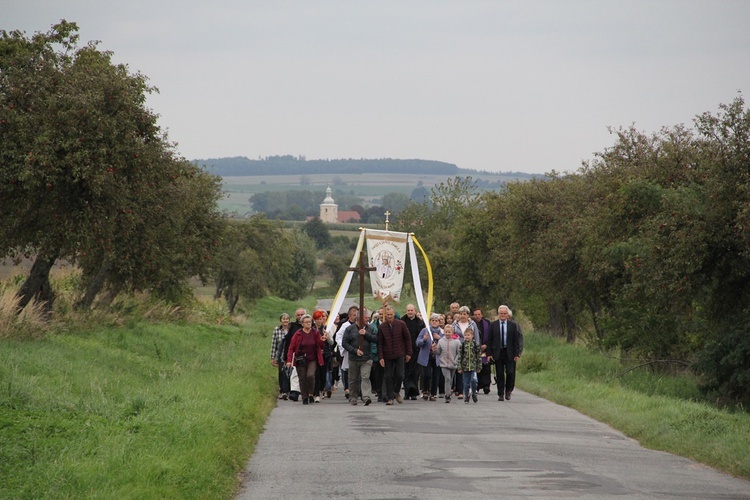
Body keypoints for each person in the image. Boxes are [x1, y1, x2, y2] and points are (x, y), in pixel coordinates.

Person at [286, 314, 327, 405]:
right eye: (307, 322)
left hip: (312, 359)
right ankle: (305, 397)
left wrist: (322, 339)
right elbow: (291, 348)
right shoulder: (298, 334)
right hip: (300, 359)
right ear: (302, 324)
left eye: (310, 322)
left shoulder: (315, 333)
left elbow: (320, 345)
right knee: (302, 378)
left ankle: (311, 393)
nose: (309, 323)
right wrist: (289, 360)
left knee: (310, 375)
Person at [377, 305, 412, 405]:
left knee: (400, 374)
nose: (389, 316)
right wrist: (381, 357)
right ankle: (390, 398)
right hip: (387, 355)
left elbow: (407, 339)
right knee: (388, 376)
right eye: (387, 315)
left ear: (394, 314)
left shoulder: (401, 324)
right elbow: (380, 343)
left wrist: (409, 352)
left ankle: (396, 391)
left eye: (391, 314)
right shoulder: (382, 327)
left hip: (399, 353)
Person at [488, 305, 523, 401]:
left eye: (504, 313)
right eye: (501, 313)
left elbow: (516, 340)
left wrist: (517, 353)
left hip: (510, 352)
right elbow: (490, 340)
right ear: (498, 314)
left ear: (507, 314)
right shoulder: (493, 325)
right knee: (499, 374)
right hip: (498, 352)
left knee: (510, 372)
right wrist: (489, 353)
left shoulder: (512, 325)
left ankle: (508, 390)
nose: (503, 315)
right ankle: (500, 393)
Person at [342, 309, 377, 406]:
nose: (368, 319)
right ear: (359, 319)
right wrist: (355, 350)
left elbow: (375, 339)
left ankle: (366, 397)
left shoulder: (370, 328)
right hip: (353, 358)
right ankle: (353, 397)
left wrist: (366, 334)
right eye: (365, 318)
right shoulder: (350, 329)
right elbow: (344, 343)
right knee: (353, 379)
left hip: (367, 358)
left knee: (365, 377)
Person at [401, 303, 426, 400]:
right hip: (405, 350)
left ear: (415, 311)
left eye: (412, 310)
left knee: (415, 373)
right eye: (408, 310)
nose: (410, 312)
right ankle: (407, 392)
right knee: (406, 372)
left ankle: (414, 392)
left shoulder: (420, 323)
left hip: (416, 350)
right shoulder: (402, 321)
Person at [416, 313, 443, 401]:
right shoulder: (425, 330)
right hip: (426, 356)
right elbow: (418, 342)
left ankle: (433, 393)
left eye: (436, 321)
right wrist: (423, 339)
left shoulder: (442, 332)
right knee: (426, 374)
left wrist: (439, 339)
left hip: (437, 357)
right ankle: (425, 390)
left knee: (436, 376)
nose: (434, 322)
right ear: (430, 322)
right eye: (433, 320)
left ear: (439, 322)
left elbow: (446, 343)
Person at [336, 306, 359, 400]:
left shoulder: (360, 324)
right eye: (354, 315)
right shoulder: (345, 326)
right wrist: (344, 347)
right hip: (349, 351)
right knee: (349, 370)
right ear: (349, 316)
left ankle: (357, 390)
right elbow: (338, 337)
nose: (356, 316)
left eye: (357, 314)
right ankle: (348, 389)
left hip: (359, 351)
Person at [312, 309, 334, 402]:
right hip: (314, 354)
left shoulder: (326, 328)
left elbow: (332, 342)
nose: (320, 321)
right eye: (318, 319)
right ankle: (316, 393)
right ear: (314, 319)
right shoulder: (312, 329)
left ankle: (321, 389)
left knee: (323, 374)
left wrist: (327, 337)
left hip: (325, 354)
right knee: (315, 374)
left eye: (321, 319)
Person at [456, 328, 482, 404]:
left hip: (473, 367)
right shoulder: (462, 345)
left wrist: (479, 366)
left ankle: (474, 393)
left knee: (474, 381)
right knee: (466, 383)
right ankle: (466, 396)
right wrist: (459, 367)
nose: (467, 337)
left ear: (472, 336)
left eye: (468, 335)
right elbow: (459, 356)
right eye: (465, 335)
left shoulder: (475, 345)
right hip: (465, 368)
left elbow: (478, 356)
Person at [435, 324, 459, 403]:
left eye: (449, 332)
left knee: (451, 379)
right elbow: (438, 352)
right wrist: (434, 349)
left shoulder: (457, 341)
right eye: (446, 332)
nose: (447, 333)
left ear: (452, 332)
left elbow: (459, 353)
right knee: (447, 378)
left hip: (453, 364)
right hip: (444, 364)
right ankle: (447, 395)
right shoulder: (441, 341)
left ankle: (449, 391)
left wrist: (456, 361)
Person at [270, 312, 291, 400]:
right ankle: (282, 390)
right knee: (281, 373)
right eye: (283, 319)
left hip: (289, 354)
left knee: (289, 373)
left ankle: (288, 390)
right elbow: (274, 344)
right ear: (281, 320)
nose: (285, 320)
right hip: (280, 355)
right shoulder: (277, 330)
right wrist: (272, 357)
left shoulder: (291, 329)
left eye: (287, 319)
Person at [472, 308, 493, 394]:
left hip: (485, 348)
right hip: (475, 348)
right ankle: (477, 385)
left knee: (486, 368)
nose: (477, 316)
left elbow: (491, 336)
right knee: (477, 367)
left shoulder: (487, 323)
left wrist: (486, 345)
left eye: (479, 314)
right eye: (475, 315)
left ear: (482, 315)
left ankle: (486, 385)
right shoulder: (472, 323)